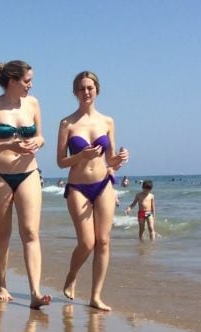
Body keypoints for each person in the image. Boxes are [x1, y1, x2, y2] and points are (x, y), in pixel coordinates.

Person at [0, 60, 51, 308]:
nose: (31, 85)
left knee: (30, 232)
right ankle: (1, 284)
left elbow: (40, 135)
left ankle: (35, 293)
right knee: (3, 234)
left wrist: (39, 142)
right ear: (12, 81)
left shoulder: (33, 103)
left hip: (28, 173)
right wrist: (9, 144)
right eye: (27, 80)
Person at [56, 71, 128, 311]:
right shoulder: (67, 123)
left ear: (97, 89)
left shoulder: (107, 121)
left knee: (104, 241)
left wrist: (119, 159)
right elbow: (60, 162)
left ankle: (95, 296)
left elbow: (110, 160)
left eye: (90, 88)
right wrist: (80, 155)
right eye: (81, 88)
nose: (86, 92)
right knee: (87, 242)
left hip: (103, 184)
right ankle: (72, 275)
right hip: (78, 186)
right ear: (75, 92)